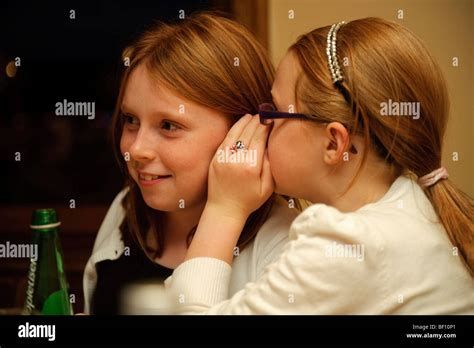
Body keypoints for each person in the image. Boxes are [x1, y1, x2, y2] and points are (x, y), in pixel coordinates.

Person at [165, 17, 474, 314]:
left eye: (274, 112)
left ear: (333, 144)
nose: (261, 125)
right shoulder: (416, 205)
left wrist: (224, 208)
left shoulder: (346, 245)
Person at [82, 12, 298, 315]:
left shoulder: (285, 248)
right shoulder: (125, 208)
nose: (137, 149)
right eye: (131, 120)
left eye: (169, 126)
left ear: (244, 133)